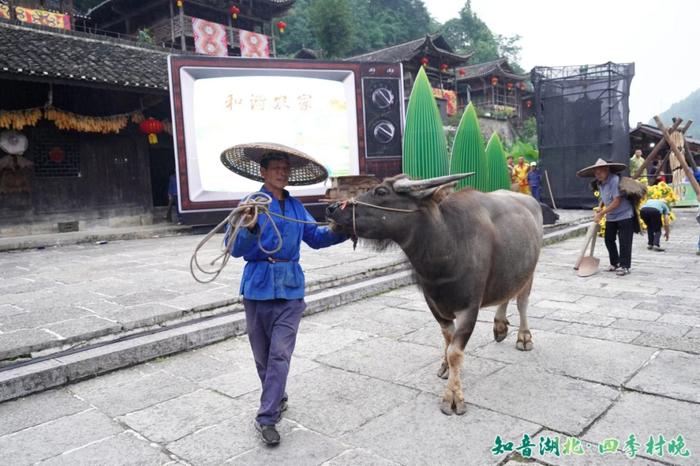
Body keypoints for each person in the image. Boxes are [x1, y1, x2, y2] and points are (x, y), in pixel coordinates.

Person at [223, 143, 346, 446]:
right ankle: (277, 395)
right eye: (275, 167)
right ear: (263, 172)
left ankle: (266, 417)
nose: (281, 172)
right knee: (263, 357)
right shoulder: (250, 204)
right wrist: (249, 229)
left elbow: (316, 237)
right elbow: (234, 249)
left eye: (285, 168)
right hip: (257, 288)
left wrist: (344, 227)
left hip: (291, 289)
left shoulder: (295, 207)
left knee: (280, 353)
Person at [577, 158, 635, 276]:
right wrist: (600, 206)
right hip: (612, 216)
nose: (597, 175)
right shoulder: (600, 183)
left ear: (606, 170)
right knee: (609, 239)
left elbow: (616, 201)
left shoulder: (614, 180)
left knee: (625, 242)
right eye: (596, 173)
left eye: (599, 172)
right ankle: (615, 263)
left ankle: (625, 266)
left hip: (625, 215)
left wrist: (601, 213)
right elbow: (605, 197)